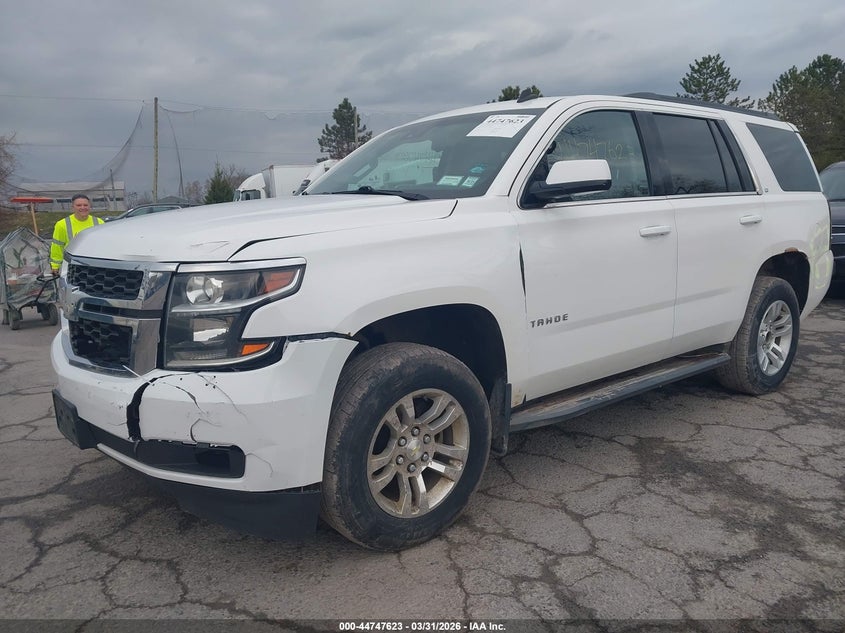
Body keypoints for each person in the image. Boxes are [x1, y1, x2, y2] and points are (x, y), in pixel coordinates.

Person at [50, 193, 104, 273]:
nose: (83, 207)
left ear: (89, 206)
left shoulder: (99, 222)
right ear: (73, 207)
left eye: (85, 205)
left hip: (95, 265)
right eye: (79, 205)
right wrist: (55, 266)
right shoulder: (62, 224)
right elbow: (57, 246)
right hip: (73, 267)